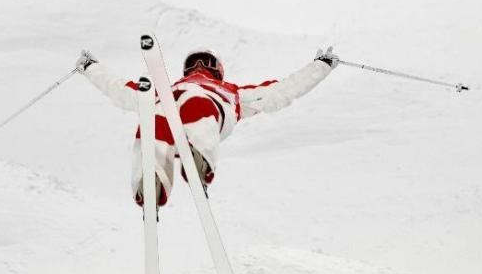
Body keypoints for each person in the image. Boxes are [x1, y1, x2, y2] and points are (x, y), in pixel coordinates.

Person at [75, 46, 338, 208]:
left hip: (211, 108)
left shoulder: (234, 92)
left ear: (218, 70)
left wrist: (320, 66)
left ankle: (199, 156)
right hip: (167, 107)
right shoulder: (164, 92)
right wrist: (91, 68)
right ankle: (152, 178)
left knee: (195, 102)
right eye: (194, 63)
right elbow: (120, 89)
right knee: (152, 118)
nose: (199, 67)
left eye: (207, 63)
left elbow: (282, 91)